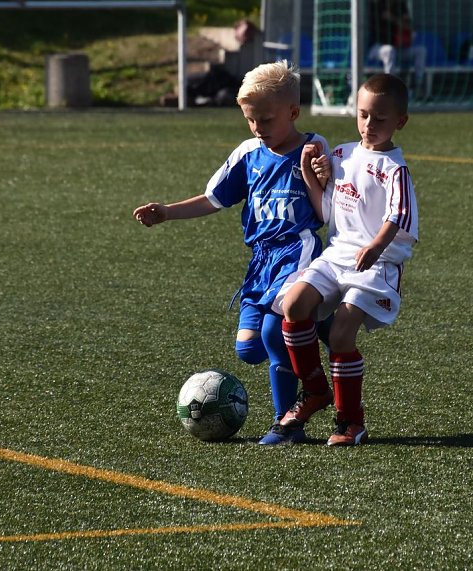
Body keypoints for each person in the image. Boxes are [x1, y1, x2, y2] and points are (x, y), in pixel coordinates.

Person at [133, 60, 329, 445]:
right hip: (261, 261)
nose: (258, 128)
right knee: (248, 349)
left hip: (297, 251)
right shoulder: (248, 153)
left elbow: (328, 206)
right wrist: (167, 212)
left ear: (293, 112)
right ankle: (318, 323)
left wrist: (319, 173)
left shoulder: (312, 147)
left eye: (266, 120)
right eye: (251, 120)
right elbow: (212, 199)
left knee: (275, 335)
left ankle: (287, 425)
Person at [275, 73, 419, 446]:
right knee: (293, 305)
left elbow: (399, 216)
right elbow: (326, 210)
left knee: (340, 335)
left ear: (400, 122)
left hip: (377, 264)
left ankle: (350, 421)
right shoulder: (341, 154)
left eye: (380, 119)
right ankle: (315, 391)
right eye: (363, 115)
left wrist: (374, 247)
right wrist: (310, 172)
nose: (370, 124)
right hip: (337, 253)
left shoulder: (394, 169)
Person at [367, 0, 427, 96]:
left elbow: (409, 27)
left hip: (399, 49)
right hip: (378, 48)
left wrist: (394, 19)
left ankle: (418, 86)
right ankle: (390, 89)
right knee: (389, 50)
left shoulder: (401, 6)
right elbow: (382, 20)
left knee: (421, 51)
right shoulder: (377, 5)